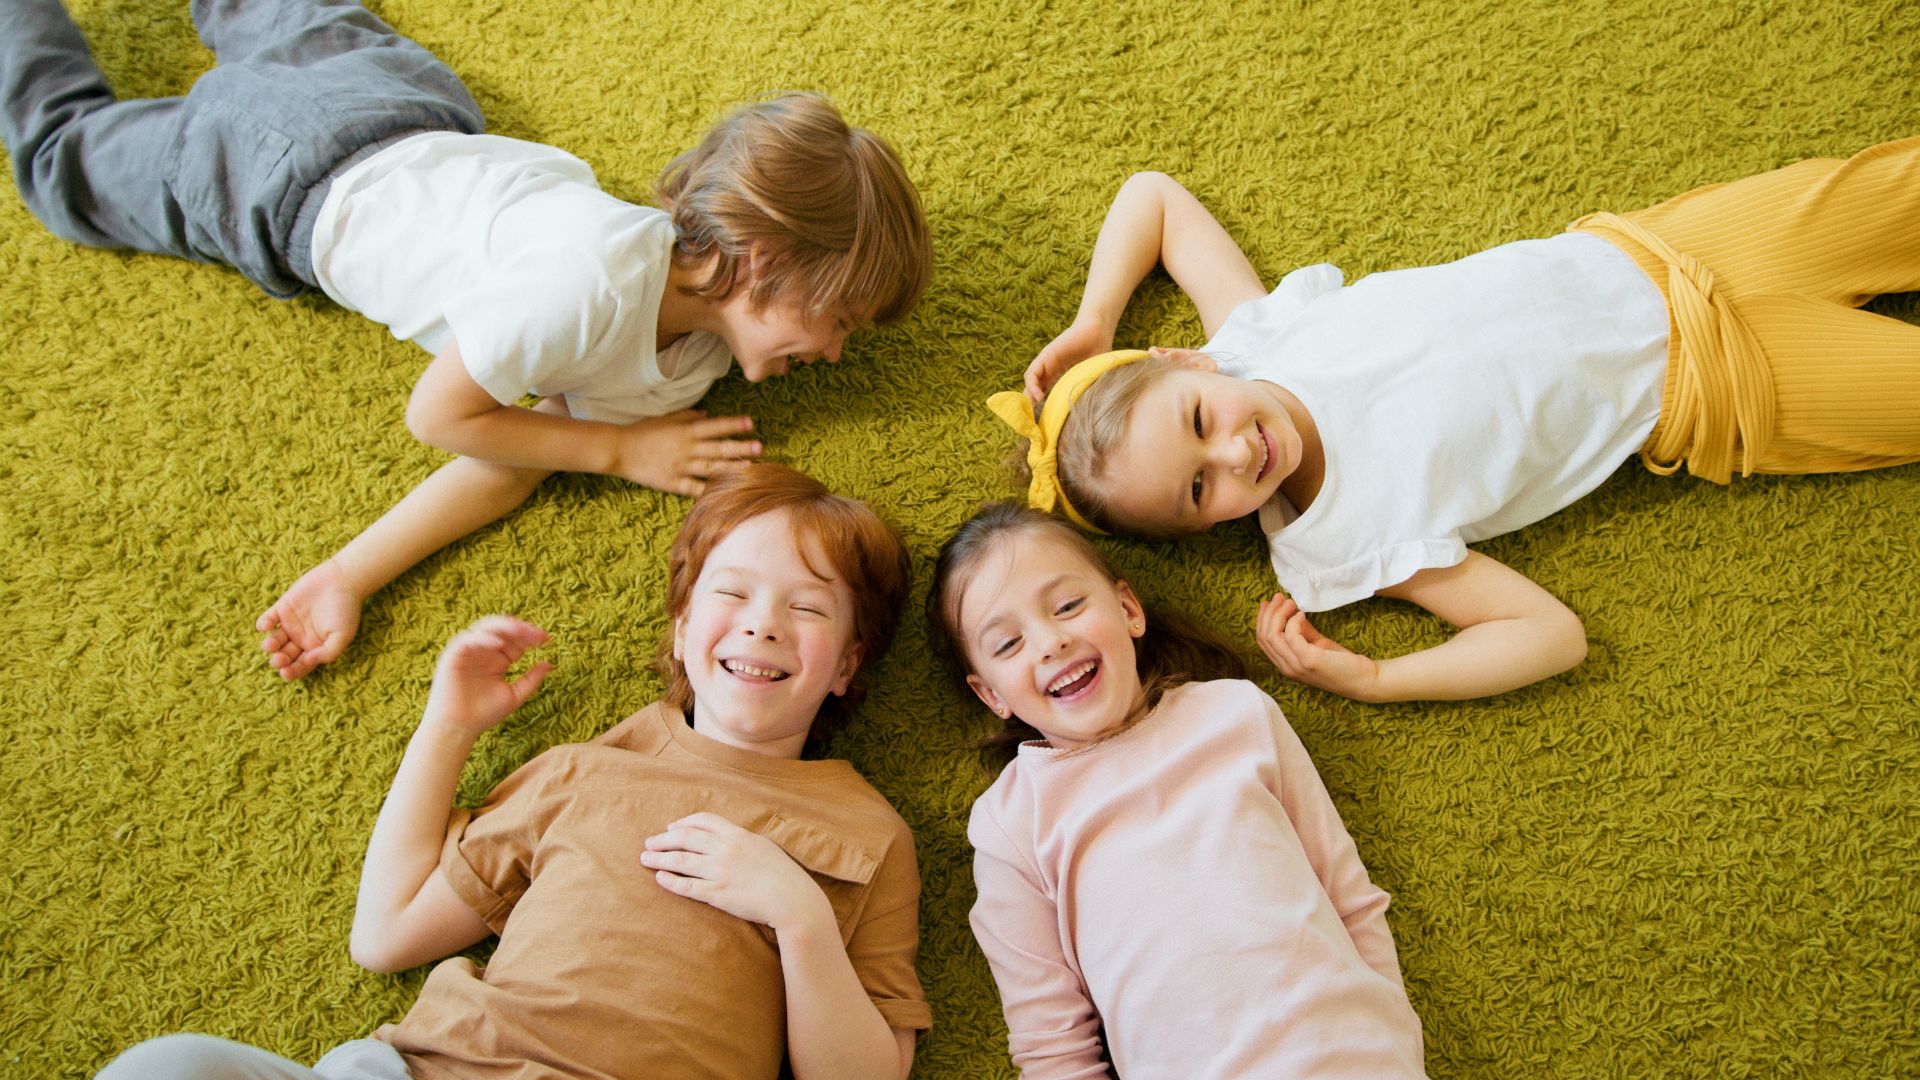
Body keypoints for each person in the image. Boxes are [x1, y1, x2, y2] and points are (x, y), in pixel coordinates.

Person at [0, 0, 931, 680]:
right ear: (763, 259)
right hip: (278, 183)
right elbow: (444, 414)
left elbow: (514, 455)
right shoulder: (582, 287)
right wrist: (619, 451)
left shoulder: (694, 360)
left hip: (403, 107)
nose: (840, 354)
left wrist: (347, 574)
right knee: (60, 161)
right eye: (840, 319)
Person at [997, 142, 1920, 702]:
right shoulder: (1339, 547)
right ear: (1202, 532)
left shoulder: (1260, 335)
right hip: (1716, 387)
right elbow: (1553, 637)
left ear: (1185, 361)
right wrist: (1378, 678)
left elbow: (1152, 197)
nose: (1238, 454)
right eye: (1202, 491)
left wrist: (1095, 320)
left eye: (1202, 419)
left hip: (1670, 247)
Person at [95, 463, 929, 1079]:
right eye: (733, 595)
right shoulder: (581, 772)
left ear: (849, 664)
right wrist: (448, 725)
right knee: (165, 1066)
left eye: (807, 607)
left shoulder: (867, 832)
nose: (763, 626)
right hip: (433, 1069)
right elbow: (385, 936)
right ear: (679, 629)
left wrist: (798, 916)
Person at [927, 502, 1426, 1078]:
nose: (1049, 642)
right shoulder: (1012, 823)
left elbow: (1349, 897)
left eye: (1068, 606)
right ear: (991, 695)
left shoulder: (1236, 713)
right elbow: (1053, 1046)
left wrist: (1396, 1041)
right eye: (1007, 644)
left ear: (1128, 609)